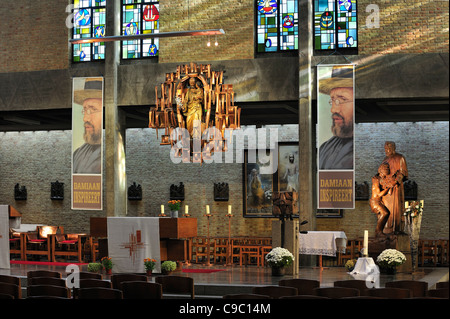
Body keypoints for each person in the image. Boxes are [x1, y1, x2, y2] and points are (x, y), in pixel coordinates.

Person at [318, 65, 354, 170]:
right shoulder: (325, 148)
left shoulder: (361, 148)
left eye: (342, 99)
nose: (333, 109)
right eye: (332, 100)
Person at [72, 78, 103, 174]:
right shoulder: (77, 154)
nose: (85, 118)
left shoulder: (112, 152)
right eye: (85, 110)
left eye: (92, 109)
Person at [381, 141, 408, 234]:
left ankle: (395, 228)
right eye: (385, 149)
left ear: (392, 148)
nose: (385, 151)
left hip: (395, 188)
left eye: (387, 148)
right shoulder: (385, 159)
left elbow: (402, 172)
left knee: (395, 208)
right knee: (385, 209)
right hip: (386, 189)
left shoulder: (400, 158)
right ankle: (386, 228)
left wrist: (395, 182)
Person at [370, 163, 396, 237]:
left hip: (378, 201)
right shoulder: (376, 180)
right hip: (375, 202)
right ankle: (378, 231)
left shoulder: (380, 179)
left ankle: (379, 232)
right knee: (385, 213)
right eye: (386, 168)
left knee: (384, 214)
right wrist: (388, 188)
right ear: (381, 170)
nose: (387, 169)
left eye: (388, 168)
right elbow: (379, 194)